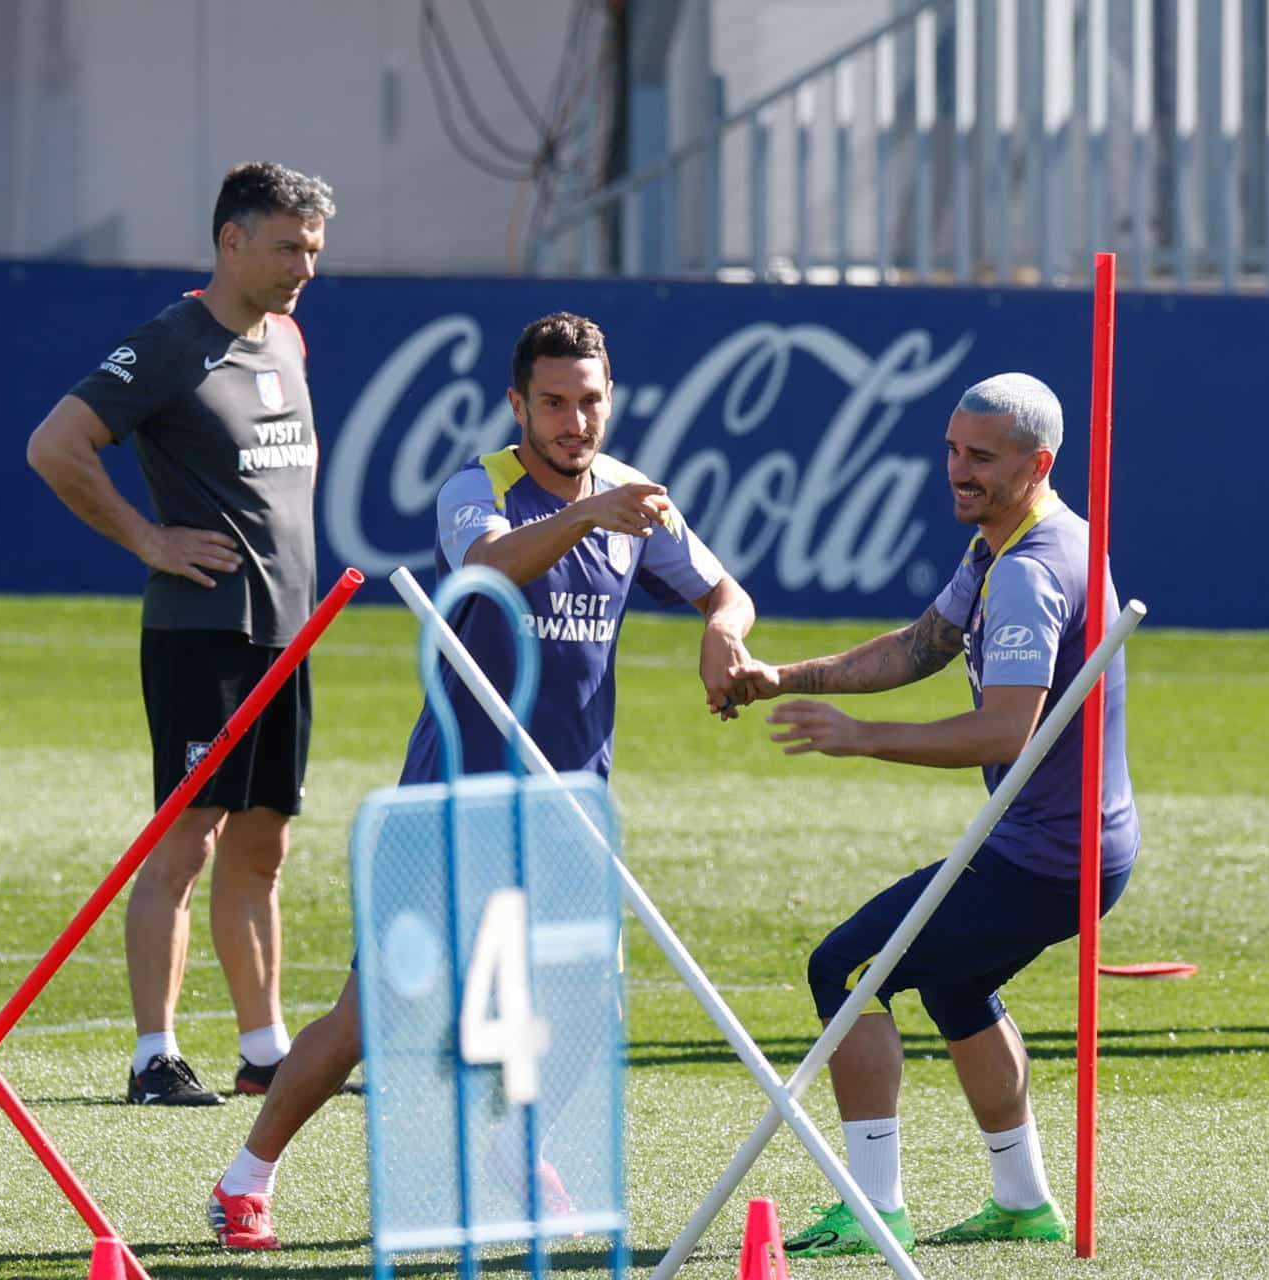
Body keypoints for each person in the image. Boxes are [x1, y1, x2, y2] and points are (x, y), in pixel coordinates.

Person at [207, 312, 761, 1248]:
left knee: (591, 998)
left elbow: (723, 587)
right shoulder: (481, 486)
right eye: (553, 403)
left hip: (567, 804)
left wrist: (722, 628)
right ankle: (244, 1178)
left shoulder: (634, 498)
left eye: (589, 402)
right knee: (371, 1016)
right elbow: (486, 568)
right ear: (518, 405)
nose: (574, 422)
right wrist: (586, 514)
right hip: (454, 801)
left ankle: (518, 1145)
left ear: (611, 400)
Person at [724, 372, 1138, 1258]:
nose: (958, 470)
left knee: (845, 969)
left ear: (1039, 463)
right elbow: (923, 644)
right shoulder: (1017, 541)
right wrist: (787, 678)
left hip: (1048, 856)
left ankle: (872, 1210)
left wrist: (858, 736)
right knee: (952, 982)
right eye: (953, 449)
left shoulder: (1028, 571)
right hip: (1072, 845)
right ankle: (1024, 1204)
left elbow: (1003, 730)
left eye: (981, 458)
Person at [26, 162, 336, 1107]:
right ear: (231, 240)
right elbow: (55, 446)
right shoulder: (170, 341)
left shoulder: (286, 336)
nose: (303, 267)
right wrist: (148, 538)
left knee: (263, 847)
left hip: (288, 634)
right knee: (187, 841)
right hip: (204, 633)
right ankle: (152, 1055)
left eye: (314, 250)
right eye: (287, 247)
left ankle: (265, 1050)